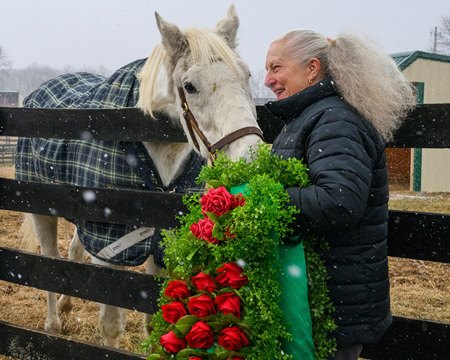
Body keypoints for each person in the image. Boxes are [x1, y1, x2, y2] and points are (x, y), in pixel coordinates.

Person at [264, 30, 416, 360]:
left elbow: (339, 201)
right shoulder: (311, 117)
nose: (267, 80)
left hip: (334, 303)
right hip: (321, 296)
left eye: (276, 68)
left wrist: (261, 198)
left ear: (312, 68)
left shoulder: (336, 120)